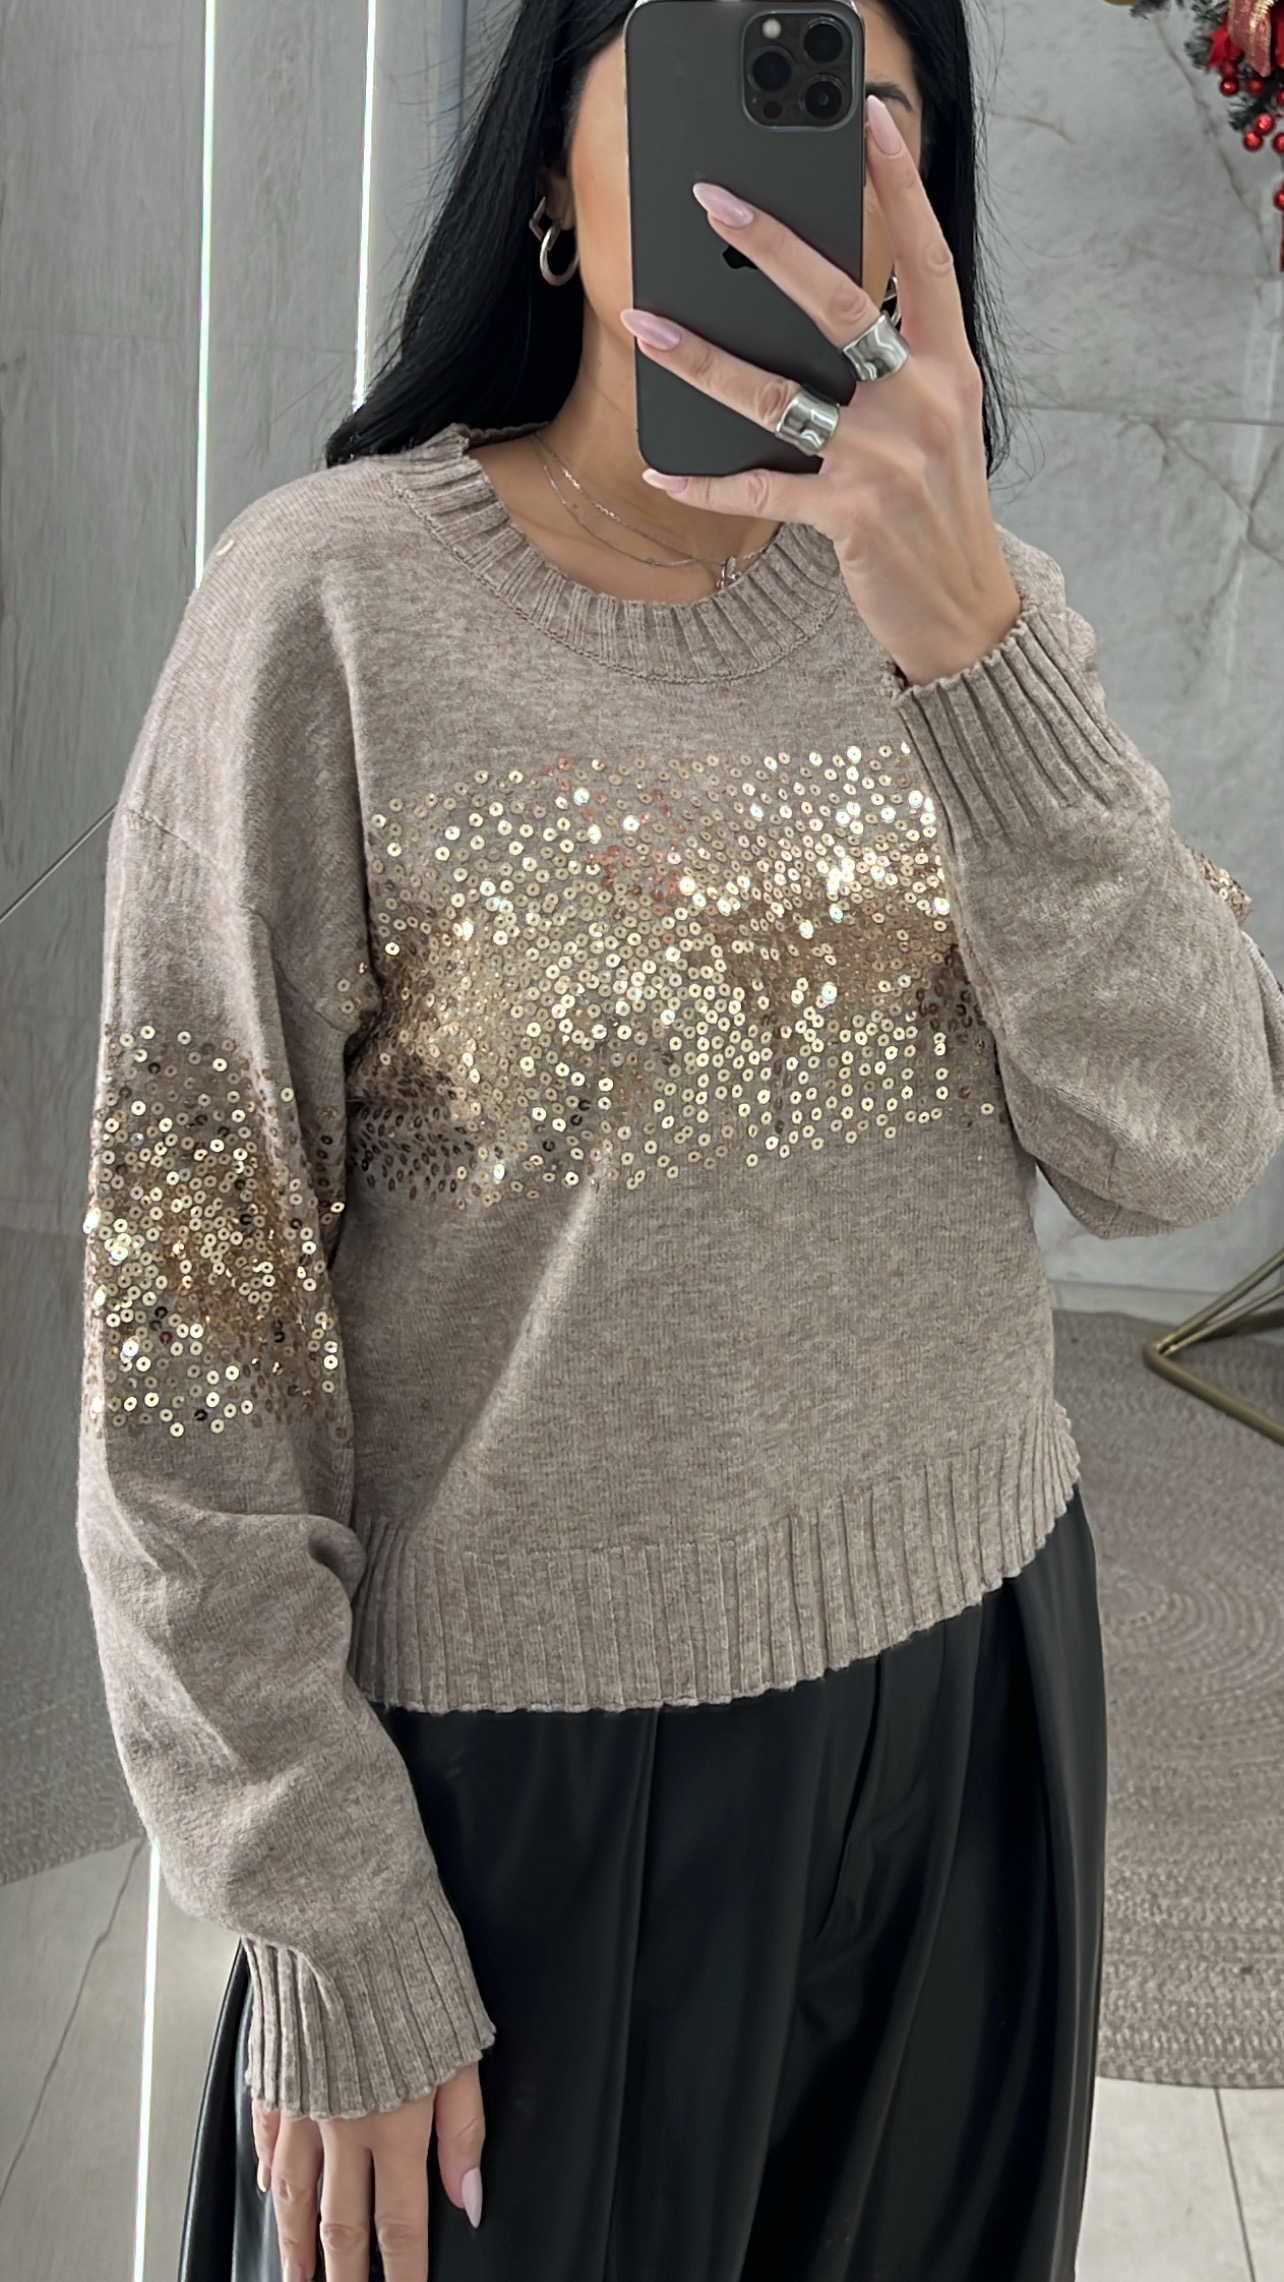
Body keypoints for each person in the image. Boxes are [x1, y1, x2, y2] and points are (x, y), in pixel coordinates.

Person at [75, 0, 1284, 2278]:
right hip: (519, 1780)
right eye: (723, 71)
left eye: (855, 103)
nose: (781, 163)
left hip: (978, 1717)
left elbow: (1190, 1140)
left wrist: (972, 645)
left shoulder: (980, 620)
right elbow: (189, 1334)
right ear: (551, 165)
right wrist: (324, 1906)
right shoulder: (329, 610)